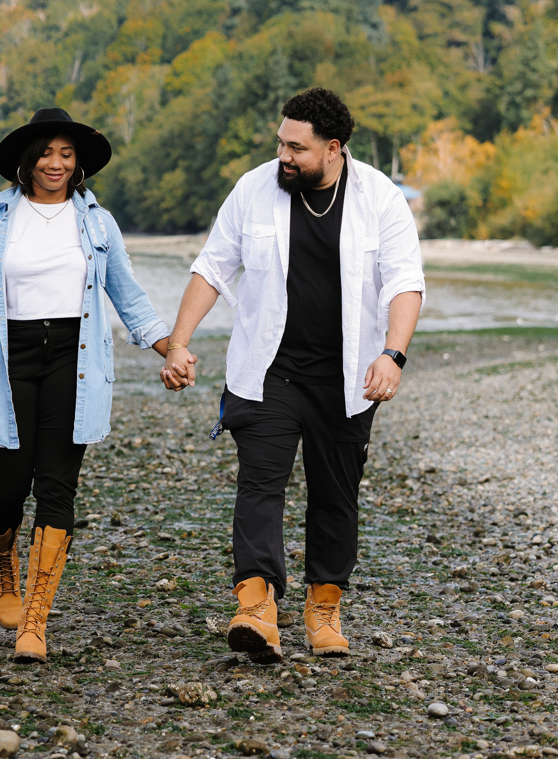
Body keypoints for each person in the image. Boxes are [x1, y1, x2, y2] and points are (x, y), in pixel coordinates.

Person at [160, 88, 424, 661]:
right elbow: (213, 266)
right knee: (260, 484)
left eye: (295, 148)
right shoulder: (253, 189)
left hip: (348, 379)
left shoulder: (380, 198)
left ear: (333, 149)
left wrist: (392, 355)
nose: (283, 155)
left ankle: (323, 606)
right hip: (266, 371)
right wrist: (178, 342)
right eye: (280, 142)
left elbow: (405, 281)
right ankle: (256, 605)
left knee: (336, 496)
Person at [0, 107, 170, 662]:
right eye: (46, 153)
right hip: (9, 362)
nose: (56, 164)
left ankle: (36, 623)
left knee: (57, 490)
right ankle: (3, 559)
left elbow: (128, 295)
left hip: (76, 359)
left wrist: (171, 347)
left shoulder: (96, 223)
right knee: (4, 493)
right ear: (26, 160)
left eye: (67, 155)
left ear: (79, 164)